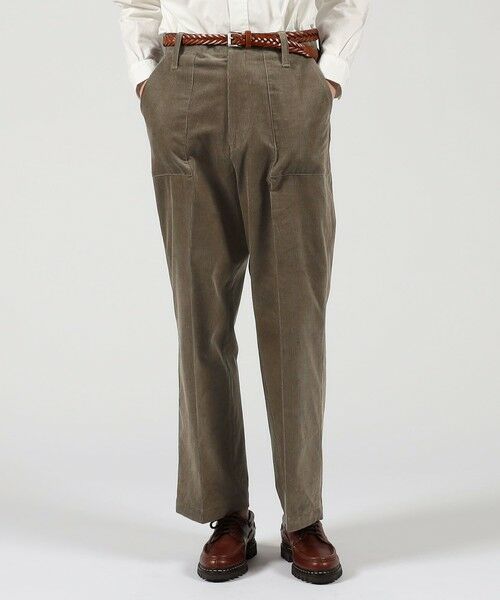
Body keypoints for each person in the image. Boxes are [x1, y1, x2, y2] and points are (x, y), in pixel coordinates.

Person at [113, 0, 368, 584]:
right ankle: (225, 512)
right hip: (185, 84)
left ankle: (303, 516)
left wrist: (329, 74)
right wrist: (146, 79)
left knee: (296, 314)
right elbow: (136, 4)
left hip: (288, 72)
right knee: (200, 316)